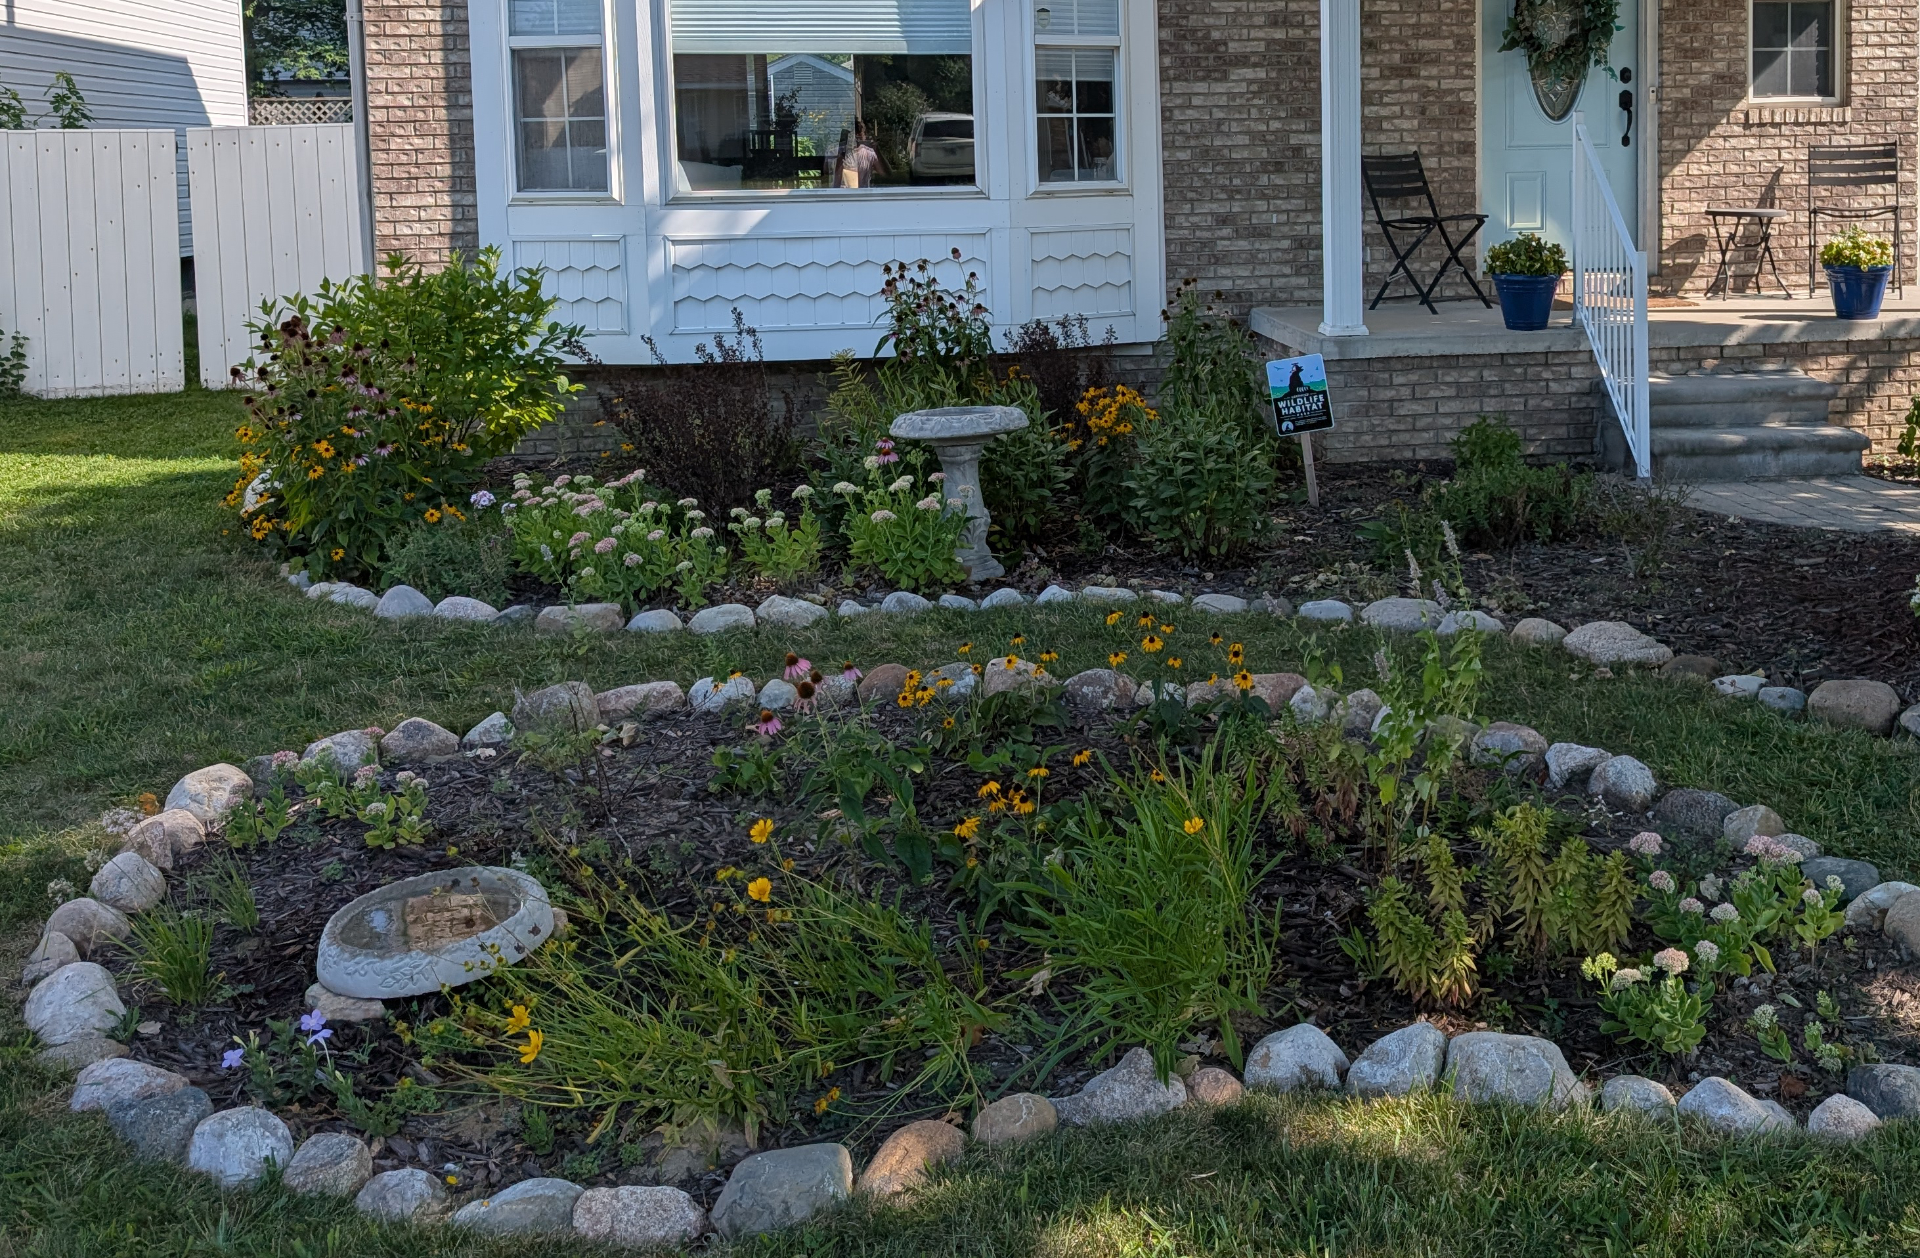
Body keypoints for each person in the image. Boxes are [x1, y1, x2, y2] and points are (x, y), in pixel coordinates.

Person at [836, 119, 886, 188]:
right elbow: (827, 171)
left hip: (862, 194)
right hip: (842, 195)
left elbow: (883, 173)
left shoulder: (869, 153)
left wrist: (876, 149)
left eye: (860, 133)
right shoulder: (839, 151)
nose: (857, 137)